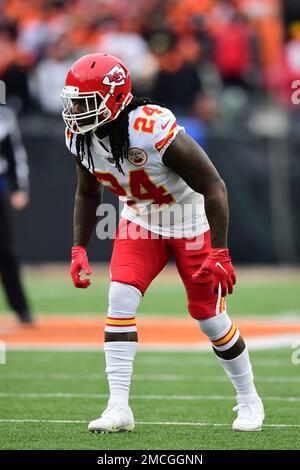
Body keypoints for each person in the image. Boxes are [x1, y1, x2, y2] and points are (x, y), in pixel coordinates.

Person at [61, 53, 264, 433]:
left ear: (115, 99)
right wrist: (78, 247)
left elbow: (213, 185)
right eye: (72, 101)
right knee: (120, 298)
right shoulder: (80, 137)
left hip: (190, 223)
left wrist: (220, 249)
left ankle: (249, 399)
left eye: (84, 103)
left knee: (209, 317)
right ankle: (118, 407)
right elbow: (87, 194)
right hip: (140, 222)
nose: (74, 111)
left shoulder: (151, 128)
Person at [0, 105, 33, 324]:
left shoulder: (4, 116)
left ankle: (21, 308)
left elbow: (15, 153)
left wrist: (19, 187)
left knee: (4, 251)